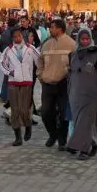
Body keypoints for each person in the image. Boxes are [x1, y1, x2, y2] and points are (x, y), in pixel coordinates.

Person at [66, 29, 97, 160]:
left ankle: (84, 149)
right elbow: (71, 75)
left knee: (86, 121)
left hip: (91, 95)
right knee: (80, 121)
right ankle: (95, 143)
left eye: (87, 39)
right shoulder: (74, 55)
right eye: (82, 39)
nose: (85, 41)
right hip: (76, 95)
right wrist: (70, 91)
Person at [37, 19, 76, 150]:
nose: (50, 29)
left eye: (52, 27)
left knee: (64, 114)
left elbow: (75, 64)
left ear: (60, 29)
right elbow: (40, 62)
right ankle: (53, 134)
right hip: (47, 84)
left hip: (63, 85)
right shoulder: (46, 44)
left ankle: (62, 140)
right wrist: (40, 75)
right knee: (46, 112)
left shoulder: (71, 44)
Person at [0, 28, 41, 146]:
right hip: (13, 83)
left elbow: (40, 60)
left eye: (19, 36)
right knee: (15, 110)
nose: (17, 39)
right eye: (15, 37)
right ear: (12, 38)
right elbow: (1, 63)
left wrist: (39, 73)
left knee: (24, 109)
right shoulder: (8, 50)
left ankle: (28, 126)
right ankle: (18, 136)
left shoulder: (30, 48)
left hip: (27, 82)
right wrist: (9, 72)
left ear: (22, 37)